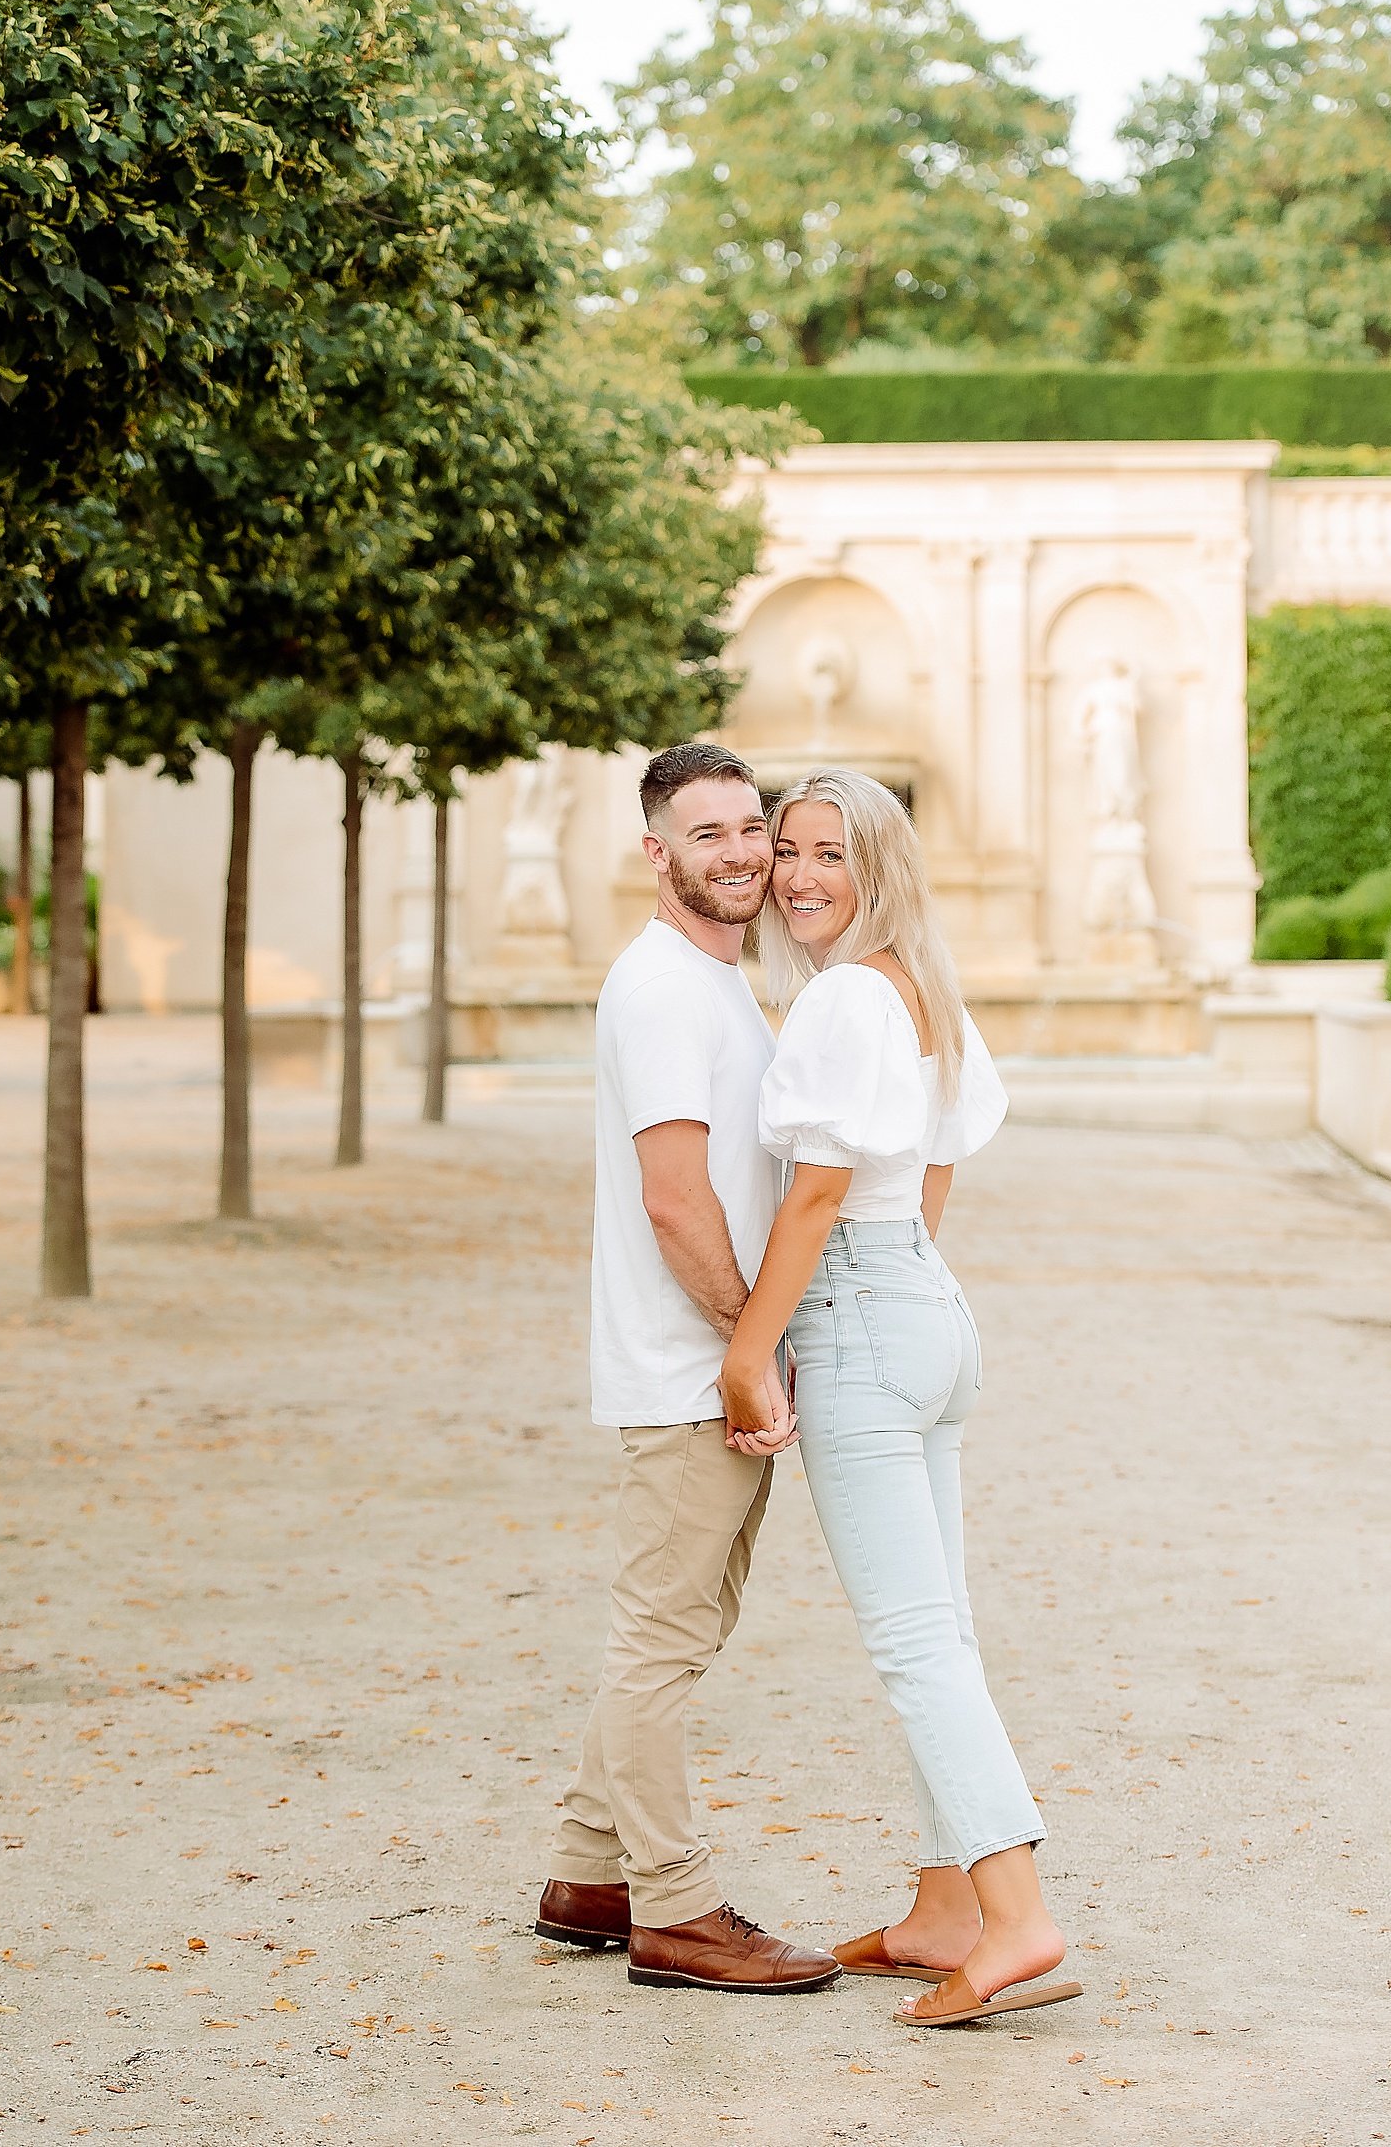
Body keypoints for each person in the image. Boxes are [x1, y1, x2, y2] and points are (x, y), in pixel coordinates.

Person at [718, 768, 1081, 2030]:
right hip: (927, 1306)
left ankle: (1018, 1917)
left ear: (881, 868)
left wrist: (752, 1350)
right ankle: (944, 1907)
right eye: (792, 851)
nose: (805, 877)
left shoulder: (837, 1003)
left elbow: (817, 1198)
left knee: (915, 1643)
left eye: (835, 854)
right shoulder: (920, 989)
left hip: (864, 1315)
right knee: (948, 1628)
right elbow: (927, 1176)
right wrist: (889, 1278)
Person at [538, 741, 840, 1996]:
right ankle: (674, 1909)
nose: (740, 853)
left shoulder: (719, 982)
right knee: (661, 1640)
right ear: (655, 852)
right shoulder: (663, 987)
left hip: (697, 1365)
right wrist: (748, 1354)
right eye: (706, 834)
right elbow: (677, 1203)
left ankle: (588, 1870)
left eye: (751, 828)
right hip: (689, 1372)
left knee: (683, 1623)